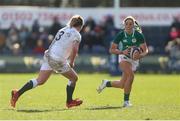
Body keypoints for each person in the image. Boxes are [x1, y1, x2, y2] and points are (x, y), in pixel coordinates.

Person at [10, 15, 84, 108]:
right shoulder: (77, 34)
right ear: (80, 26)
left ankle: (17, 93)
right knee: (74, 78)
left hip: (48, 54)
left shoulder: (63, 29)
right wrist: (72, 61)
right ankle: (69, 102)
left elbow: (58, 43)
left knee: (40, 80)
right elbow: (74, 49)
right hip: (57, 59)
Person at [97, 16, 148, 107]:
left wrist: (140, 55)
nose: (128, 25)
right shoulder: (120, 35)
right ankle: (126, 102)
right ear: (124, 25)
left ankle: (106, 83)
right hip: (123, 57)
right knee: (131, 76)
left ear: (133, 25)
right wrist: (122, 52)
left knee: (121, 85)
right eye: (126, 24)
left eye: (130, 24)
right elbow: (111, 50)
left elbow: (145, 50)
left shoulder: (138, 35)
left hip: (134, 59)